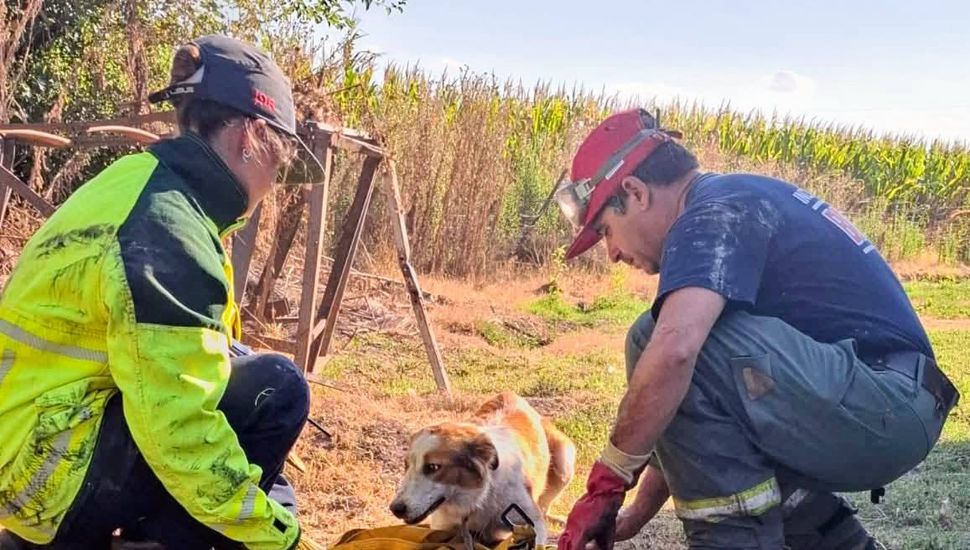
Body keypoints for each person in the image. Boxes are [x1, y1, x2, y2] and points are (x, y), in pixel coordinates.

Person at [553, 108, 960, 550]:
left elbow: (675, 350)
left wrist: (606, 484)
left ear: (634, 192)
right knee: (714, 412)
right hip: (889, 403)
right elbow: (693, 418)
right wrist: (634, 514)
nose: (612, 252)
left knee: (654, 338)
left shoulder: (711, 214)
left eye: (607, 230)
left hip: (884, 401)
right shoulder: (733, 198)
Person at [0, 35, 312, 549]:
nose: (272, 187)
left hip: (30, 438)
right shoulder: (169, 228)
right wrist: (279, 535)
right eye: (278, 169)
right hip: (50, 476)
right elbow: (179, 429)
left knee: (238, 359)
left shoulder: (137, 182)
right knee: (277, 389)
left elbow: (186, 357)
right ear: (252, 136)